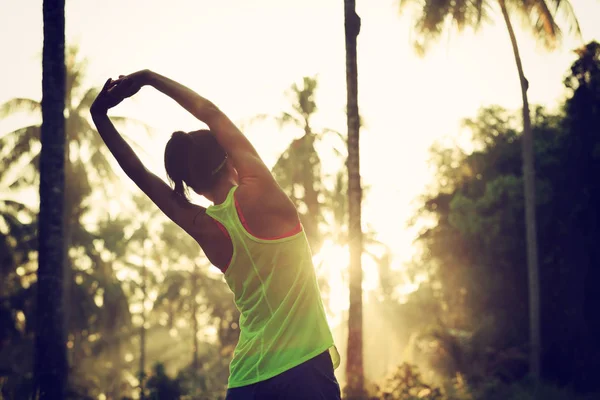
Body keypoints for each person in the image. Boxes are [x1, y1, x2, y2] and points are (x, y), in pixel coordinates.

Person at [90, 70, 341, 399]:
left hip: (247, 382)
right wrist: (149, 79)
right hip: (305, 370)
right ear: (230, 159)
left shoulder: (203, 226)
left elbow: (140, 175)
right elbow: (210, 113)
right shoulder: (262, 192)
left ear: (192, 186)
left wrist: (99, 116)